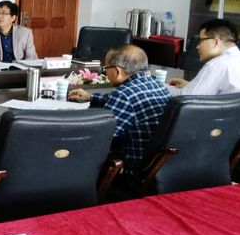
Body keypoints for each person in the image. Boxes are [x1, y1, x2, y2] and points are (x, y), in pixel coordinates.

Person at [68, 45, 170, 175]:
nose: (105, 72)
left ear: (117, 71)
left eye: (106, 68)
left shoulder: (123, 96)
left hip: (131, 170)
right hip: (156, 167)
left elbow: (97, 137)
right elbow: (131, 101)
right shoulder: (157, 85)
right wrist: (91, 97)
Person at [168, 19, 240, 139]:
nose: (197, 46)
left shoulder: (218, 64)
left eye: (201, 40)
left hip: (227, 140)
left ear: (215, 41)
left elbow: (185, 99)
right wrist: (190, 85)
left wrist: (160, 87)